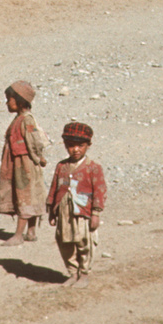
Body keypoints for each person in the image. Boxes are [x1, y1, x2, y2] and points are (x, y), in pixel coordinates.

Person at [46, 121, 106, 284]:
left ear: (88, 145)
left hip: (83, 213)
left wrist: (95, 213)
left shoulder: (93, 168)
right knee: (65, 242)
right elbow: (54, 187)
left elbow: (100, 191)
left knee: (83, 242)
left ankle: (84, 273)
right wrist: (52, 210)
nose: (76, 149)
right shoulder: (61, 166)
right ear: (65, 145)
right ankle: (72, 273)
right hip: (63, 212)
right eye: (71, 145)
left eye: (80, 145)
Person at [0, 80, 49, 245]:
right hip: (19, 164)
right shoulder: (19, 119)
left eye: (9, 99)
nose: (7, 103)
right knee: (29, 195)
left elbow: (34, 140)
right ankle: (31, 232)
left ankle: (19, 235)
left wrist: (36, 157)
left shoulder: (27, 120)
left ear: (19, 100)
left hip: (24, 165)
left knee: (25, 196)